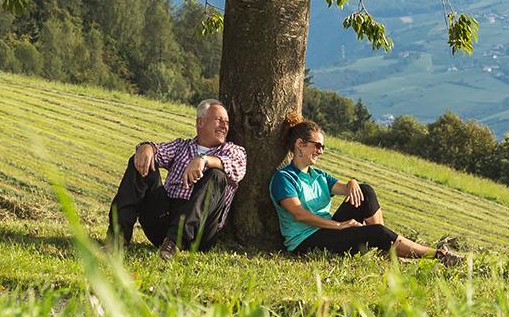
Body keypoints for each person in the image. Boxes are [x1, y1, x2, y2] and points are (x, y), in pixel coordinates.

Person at [269, 115, 462, 263]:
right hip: (306, 241)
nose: (321, 151)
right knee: (376, 232)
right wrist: (340, 226)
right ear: (300, 145)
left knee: (365, 191)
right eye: (317, 146)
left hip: (326, 230)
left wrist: (352, 182)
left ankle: (386, 250)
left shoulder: (318, 175)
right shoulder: (284, 178)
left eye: (323, 147)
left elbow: (348, 190)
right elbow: (299, 215)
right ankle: (437, 256)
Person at [108, 99, 247, 256]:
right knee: (141, 161)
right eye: (218, 120)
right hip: (164, 219)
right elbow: (158, 150)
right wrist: (147, 147)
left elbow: (237, 168)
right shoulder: (182, 146)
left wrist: (204, 160)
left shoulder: (233, 151)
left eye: (226, 122)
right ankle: (118, 239)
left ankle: (174, 242)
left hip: (199, 231)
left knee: (217, 174)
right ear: (200, 122)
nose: (224, 126)